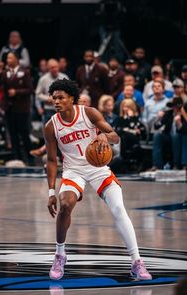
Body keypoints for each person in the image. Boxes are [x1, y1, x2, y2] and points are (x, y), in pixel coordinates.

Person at [44, 79, 152, 281]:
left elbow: (115, 135)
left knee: (119, 208)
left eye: (60, 97)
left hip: (98, 168)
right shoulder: (51, 126)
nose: (56, 101)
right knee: (65, 205)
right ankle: (60, 254)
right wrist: (51, 192)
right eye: (54, 97)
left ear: (72, 99)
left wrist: (104, 136)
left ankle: (137, 262)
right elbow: (51, 160)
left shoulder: (89, 113)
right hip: (73, 171)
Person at [1, 51, 34, 164]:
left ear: (16, 59)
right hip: (10, 108)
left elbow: (30, 89)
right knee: (12, 133)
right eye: (7, 58)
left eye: (10, 58)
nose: (8, 60)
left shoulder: (24, 72)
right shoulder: (5, 73)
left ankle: (30, 157)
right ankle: (17, 157)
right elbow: (4, 90)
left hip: (22, 108)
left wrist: (17, 92)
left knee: (24, 133)